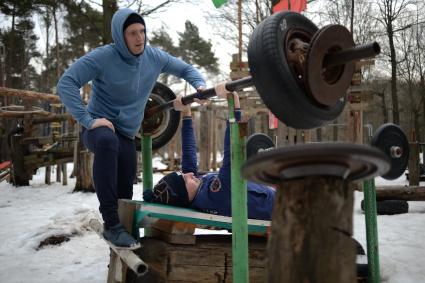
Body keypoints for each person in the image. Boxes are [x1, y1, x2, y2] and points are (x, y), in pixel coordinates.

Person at [57, 8, 206, 249]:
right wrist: (88, 120)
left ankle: (123, 228)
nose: (139, 38)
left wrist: (199, 85)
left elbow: (186, 69)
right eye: (132, 33)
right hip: (98, 129)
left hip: (126, 134)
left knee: (126, 180)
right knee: (107, 141)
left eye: (142, 31)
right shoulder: (103, 57)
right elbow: (66, 82)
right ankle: (111, 224)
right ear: (120, 36)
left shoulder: (154, 57)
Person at [143, 85, 276, 220]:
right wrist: (233, 102)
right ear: (183, 194)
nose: (189, 174)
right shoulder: (216, 194)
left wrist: (186, 114)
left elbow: (189, 156)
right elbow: (232, 153)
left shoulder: (195, 195)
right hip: (283, 206)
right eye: (185, 179)